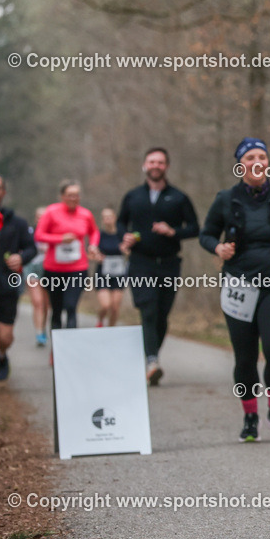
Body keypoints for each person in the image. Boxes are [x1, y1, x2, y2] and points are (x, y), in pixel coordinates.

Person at [200, 138, 270, 443]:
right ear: (240, 164)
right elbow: (206, 234)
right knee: (245, 357)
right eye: (250, 157)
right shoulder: (226, 198)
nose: (257, 161)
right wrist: (218, 247)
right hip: (239, 284)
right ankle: (250, 417)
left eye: (262, 156)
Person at [118, 148, 200, 385]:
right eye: (152, 161)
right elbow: (122, 222)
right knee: (149, 310)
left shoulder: (179, 197)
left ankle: (150, 358)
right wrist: (125, 237)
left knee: (162, 315)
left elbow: (195, 228)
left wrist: (173, 231)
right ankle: (152, 361)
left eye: (160, 162)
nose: (156, 165)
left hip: (169, 264)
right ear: (145, 165)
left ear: (167, 166)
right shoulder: (133, 196)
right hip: (141, 263)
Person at [0, 175, 33, 394]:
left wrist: (22, 258)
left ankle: (1, 354)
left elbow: (31, 248)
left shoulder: (16, 222)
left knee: (5, 337)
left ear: (4, 192)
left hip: (6, 285)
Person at [34, 181, 99, 331]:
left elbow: (94, 232)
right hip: (53, 269)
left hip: (78, 268)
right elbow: (39, 235)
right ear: (62, 196)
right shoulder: (51, 212)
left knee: (71, 307)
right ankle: (56, 349)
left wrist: (93, 245)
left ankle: (70, 348)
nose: (73, 198)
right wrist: (60, 239)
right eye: (70, 195)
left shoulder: (85, 214)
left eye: (76, 195)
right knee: (56, 309)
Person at [24, 206, 50, 346]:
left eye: (43, 215)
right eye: (38, 216)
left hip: (48, 269)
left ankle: (43, 328)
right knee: (37, 302)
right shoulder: (29, 232)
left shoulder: (53, 232)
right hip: (32, 268)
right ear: (35, 217)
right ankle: (39, 333)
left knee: (46, 304)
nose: (41, 218)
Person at [95, 207, 126, 327]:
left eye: (109, 217)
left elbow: (133, 245)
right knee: (105, 305)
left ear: (115, 218)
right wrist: (97, 255)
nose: (107, 220)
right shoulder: (99, 235)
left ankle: (111, 329)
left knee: (115, 306)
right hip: (103, 273)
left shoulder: (121, 234)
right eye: (105, 217)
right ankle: (100, 321)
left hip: (118, 274)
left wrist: (127, 250)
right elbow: (91, 251)